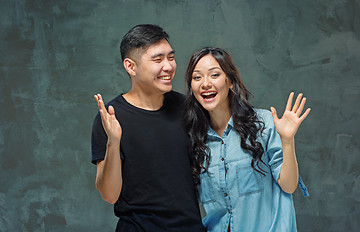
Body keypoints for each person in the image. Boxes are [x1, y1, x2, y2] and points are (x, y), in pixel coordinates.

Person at [91, 24, 205, 232]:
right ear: (131, 67)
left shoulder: (187, 108)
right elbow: (109, 194)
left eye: (171, 57)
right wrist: (114, 142)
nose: (169, 66)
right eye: (157, 59)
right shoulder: (111, 118)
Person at [184, 47, 311, 232]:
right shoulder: (194, 141)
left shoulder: (262, 123)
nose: (205, 83)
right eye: (197, 77)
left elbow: (289, 185)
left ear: (230, 82)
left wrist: (287, 140)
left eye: (214, 75)